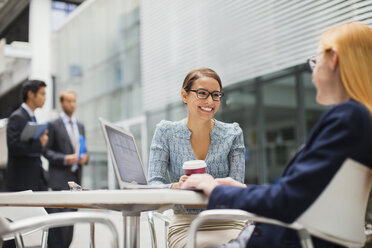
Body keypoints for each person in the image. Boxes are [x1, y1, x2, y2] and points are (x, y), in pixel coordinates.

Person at [182, 21, 372, 248]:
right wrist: (242, 190)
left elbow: (287, 201)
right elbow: (301, 192)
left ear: (334, 59)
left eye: (315, 61)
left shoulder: (348, 117)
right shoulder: (359, 119)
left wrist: (216, 191)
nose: (313, 73)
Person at [148, 68, 246, 248]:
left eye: (216, 95)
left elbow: (236, 186)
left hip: (228, 220)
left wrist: (212, 186)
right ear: (184, 96)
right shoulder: (166, 132)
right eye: (202, 93)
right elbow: (153, 183)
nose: (210, 101)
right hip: (186, 223)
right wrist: (176, 187)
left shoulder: (233, 133)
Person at [44, 89, 88, 248]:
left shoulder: (80, 126)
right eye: (68, 101)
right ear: (62, 103)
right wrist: (65, 159)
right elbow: (46, 151)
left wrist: (85, 158)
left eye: (74, 101)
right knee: (58, 229)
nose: (71, 104)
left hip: (76, 183)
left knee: (70, 226)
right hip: (59, 182)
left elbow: (84, 150)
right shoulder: (53, 125)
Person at [5, 79, 48, 192]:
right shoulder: (17, 117)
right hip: (22, 181)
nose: (45, 98)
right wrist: (40, 143)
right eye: (42, 94)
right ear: (30, 94)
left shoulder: (32, 117)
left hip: (34, 179)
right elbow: (14, 147)